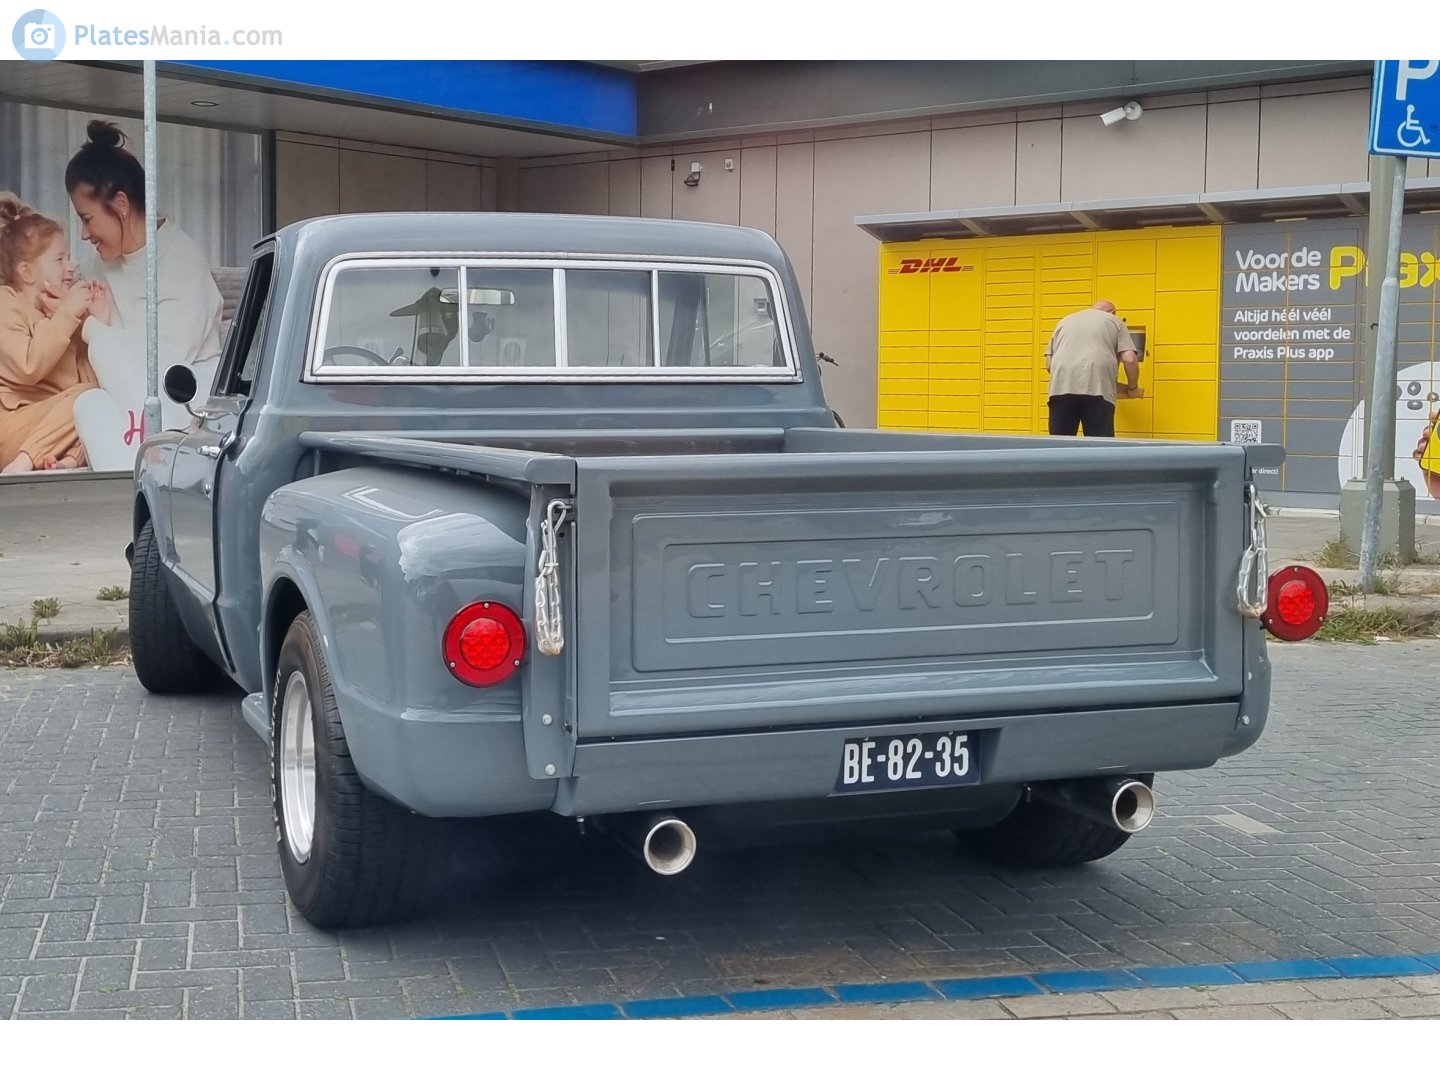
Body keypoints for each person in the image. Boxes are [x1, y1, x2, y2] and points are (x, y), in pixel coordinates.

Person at [63, 120, 224, 470]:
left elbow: (163, 370)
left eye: (88, 218)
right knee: (86, 404)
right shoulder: (90, 273)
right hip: (124, 424)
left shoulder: (180, 260)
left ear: (120, 204)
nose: (84, 233)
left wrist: (95, 331)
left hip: (183, 415)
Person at [0, 193, 102, 475]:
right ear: (27, 272)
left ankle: (65, 463)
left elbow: (90, 381)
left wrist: (93, 322)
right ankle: (20, 465)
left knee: (97, 400)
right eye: (59, 259)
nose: (70, 267)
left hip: (53, 430)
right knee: (85, 400)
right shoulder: (6, 302)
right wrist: (66, 314)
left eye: (68, 258)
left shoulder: (61, 311)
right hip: (11, 427)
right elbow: (27, 366)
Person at [1043, 299, 1143, 438]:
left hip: (1060, 390)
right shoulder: (1114, 321)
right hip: (1098, 391)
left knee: (1060, 445)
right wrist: (1132, 388)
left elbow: (1049, 364)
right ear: (1113, 313)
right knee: (1099, 447)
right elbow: (1130, 360)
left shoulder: (1065, 321)